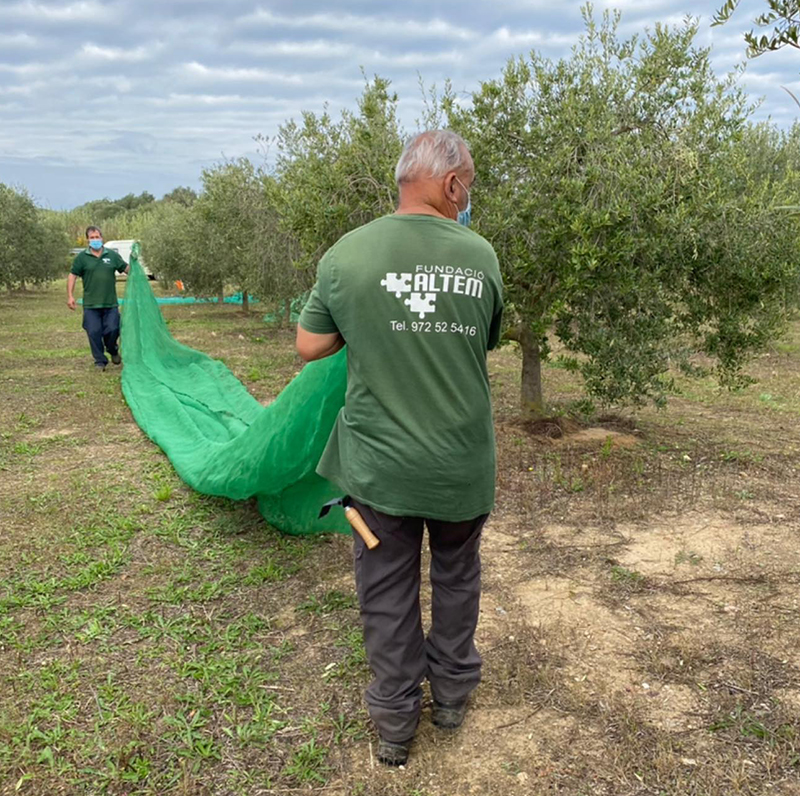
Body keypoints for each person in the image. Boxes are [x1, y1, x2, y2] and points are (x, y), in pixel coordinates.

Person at [296, 130, 504, 766]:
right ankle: (452, 696)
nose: (467, 197)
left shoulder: (347, 253)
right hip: (460, 465)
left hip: (379, 470)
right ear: (452, 185)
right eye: (468, 186)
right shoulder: (481, 257)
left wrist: (363, 327)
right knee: (457, 576)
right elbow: (482, 338)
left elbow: (309, 345)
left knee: (386, 590)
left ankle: (394, 723)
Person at [67, 226, 129, 371]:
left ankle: (113, 350)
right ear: (88, 240)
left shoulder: (112, 255)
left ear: (102, 238)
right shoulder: (82, 258)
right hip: (91, 304)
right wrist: (70, 296)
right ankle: (100, 361)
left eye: (97, 237)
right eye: (92, 238)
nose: (95, 240)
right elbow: (72, 275)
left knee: (113, 329)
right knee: (93, 332)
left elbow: (126, 269)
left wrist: (135, 265)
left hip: (110, 303)